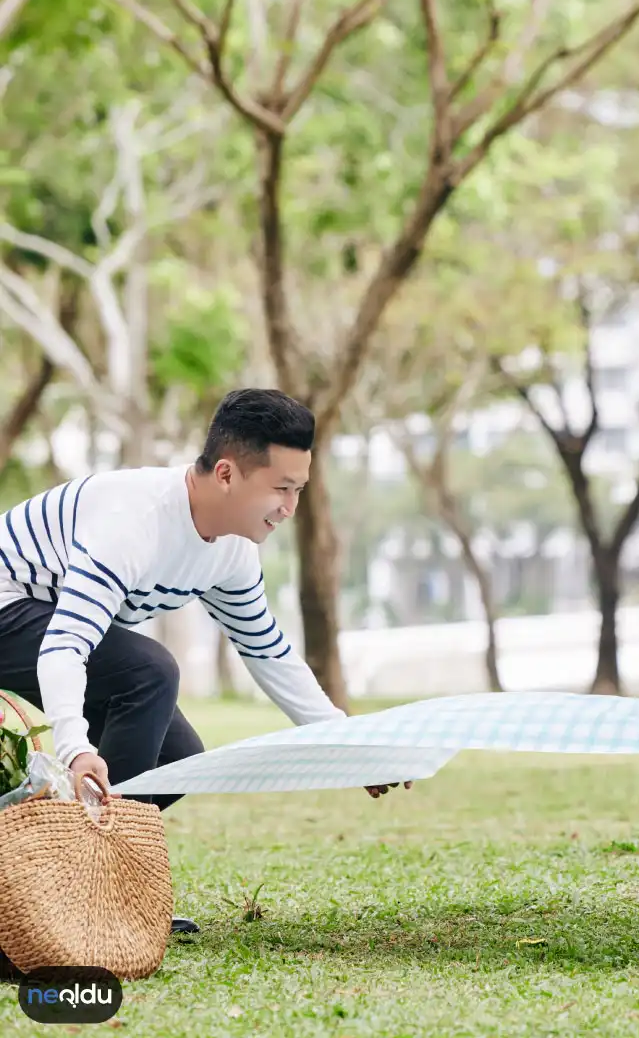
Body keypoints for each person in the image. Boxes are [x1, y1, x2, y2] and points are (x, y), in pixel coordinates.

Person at [0, 388, 405, 933]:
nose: (290, 508)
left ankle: (46, 868)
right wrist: (75, 748)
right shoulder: (135, 518)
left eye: (299, 489)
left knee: (177, 756)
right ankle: (94, 892)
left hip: (46, 624)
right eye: (280, 488)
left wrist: (352, 748)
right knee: (148, 670)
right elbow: (65, 645)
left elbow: (268, 652)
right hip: (8, 603)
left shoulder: (233, 552)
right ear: (227, 474)